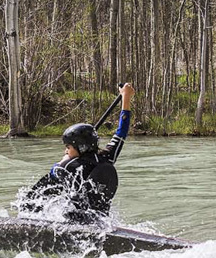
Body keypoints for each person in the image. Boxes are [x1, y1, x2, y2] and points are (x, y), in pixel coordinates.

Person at [20, 83, 135, 223]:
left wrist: (62, 162)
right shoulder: (106, 157)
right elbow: (121, 133)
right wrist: (126, 97)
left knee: (43, 197)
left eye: (68, 147)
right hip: (98, 220)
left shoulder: (69, 166)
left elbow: (53, 173)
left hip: (73, 221)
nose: (65, 151)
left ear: (81, 147)